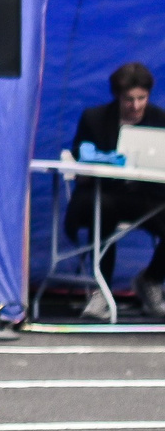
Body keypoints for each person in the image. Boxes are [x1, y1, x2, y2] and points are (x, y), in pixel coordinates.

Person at [65, 62, 165, 315]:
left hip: (145, 196)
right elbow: (79, 161)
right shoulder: (94, 118)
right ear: (117, 96)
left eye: (142, 98)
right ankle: (101, 289)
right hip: (102, 194)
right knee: (103, 211)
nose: (136, 106)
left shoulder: (159, 120)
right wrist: (88, 169)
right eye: (129, 99)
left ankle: (151, 280)